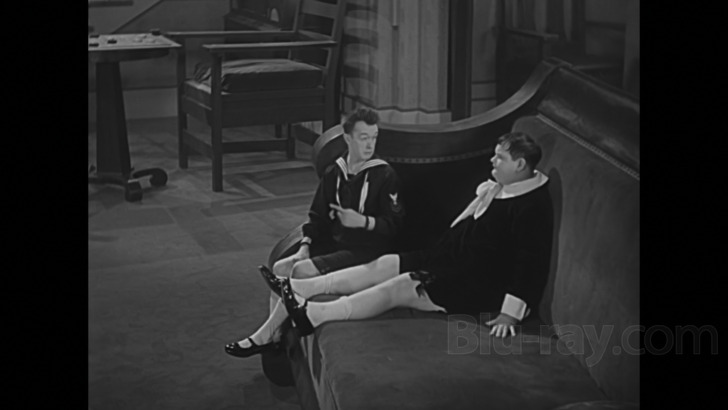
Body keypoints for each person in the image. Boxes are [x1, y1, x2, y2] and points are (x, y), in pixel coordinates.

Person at [269, 131, 554, 344]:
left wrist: (510, 313)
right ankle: (300, 287)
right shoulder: (503, 186)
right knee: (386, 263)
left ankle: (315, 313)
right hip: (448, 260)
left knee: (402, 285)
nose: (492, 160)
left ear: (520, 165)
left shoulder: (531, 206)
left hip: (475, 284)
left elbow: (531, 263)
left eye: (500, 157)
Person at [225, 107, 405, 358]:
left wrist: (364, 221)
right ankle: (276, 338)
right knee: (281, 267)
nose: (369, 145)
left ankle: (266, 337)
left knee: (300, 272)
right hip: (336, 244)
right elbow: (317, 216)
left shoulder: (384, 175)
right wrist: (304, 246)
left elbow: (394, 227)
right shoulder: (335, 172)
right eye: (364, 138)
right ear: (348, 138)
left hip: (367, 251)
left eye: (374, 138)